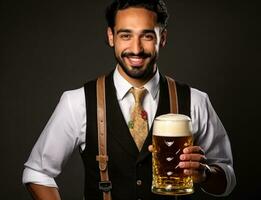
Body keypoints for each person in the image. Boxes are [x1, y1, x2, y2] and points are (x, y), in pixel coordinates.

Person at [22, 0, 236, 199]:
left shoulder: (196, 101)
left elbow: (227, 178)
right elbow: (37, 173)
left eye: (147, 36)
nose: (136, 49)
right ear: (110, 37)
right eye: (126, 35)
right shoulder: (77, 102)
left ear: (162, 38)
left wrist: (206, 173)